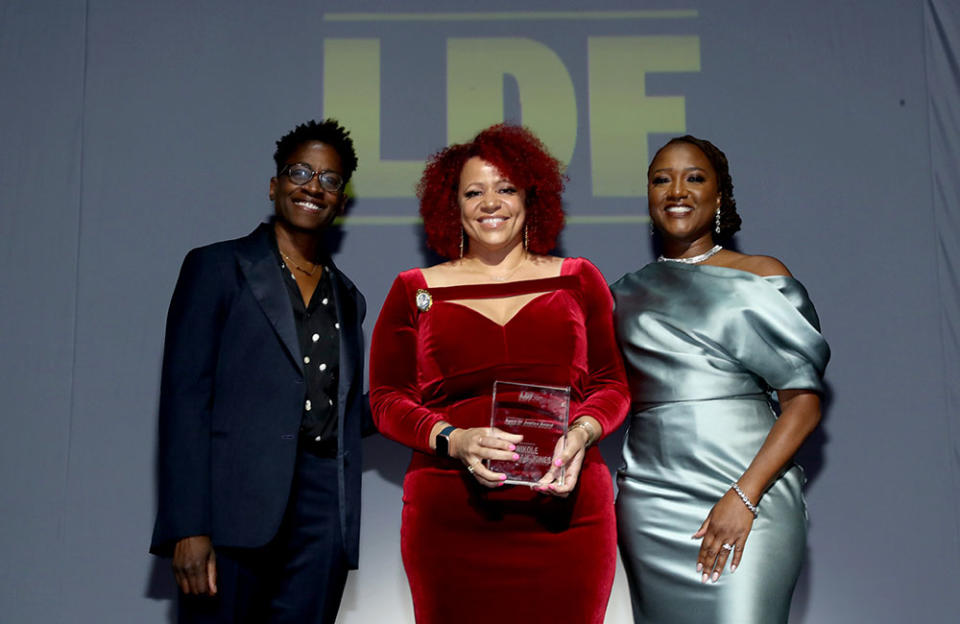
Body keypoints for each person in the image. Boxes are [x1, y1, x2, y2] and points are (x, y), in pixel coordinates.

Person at [369, 124, 629, 624]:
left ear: (532, 198)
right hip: (450, 517)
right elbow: (385, 399)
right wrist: (454, 438)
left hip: (567, 514)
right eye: (474, 192)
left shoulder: (578, 278)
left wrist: (582, 431)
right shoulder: (414, 289)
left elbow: (612, 384)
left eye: (505, 188)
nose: (491, 202)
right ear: (453, 205)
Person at [150, 119, 369, 623]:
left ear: (341, 201)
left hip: (322, 520)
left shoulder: (349, 298)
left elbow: (345, 408)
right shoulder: (215, 267)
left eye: (330, 179)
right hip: (231, 514)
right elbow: (185, 400)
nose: (314, 185)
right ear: (275, 186)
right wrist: (188, 526)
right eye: (300, 171)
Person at [611, 136, 831, 623]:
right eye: (661, 179)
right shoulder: (623, 295)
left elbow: (804, 403)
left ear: (719, 197)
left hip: (750, 495)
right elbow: (595, 392)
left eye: (694, 178)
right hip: (653, 504)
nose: (676, 190)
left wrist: (744, 495)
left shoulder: (760, 277)